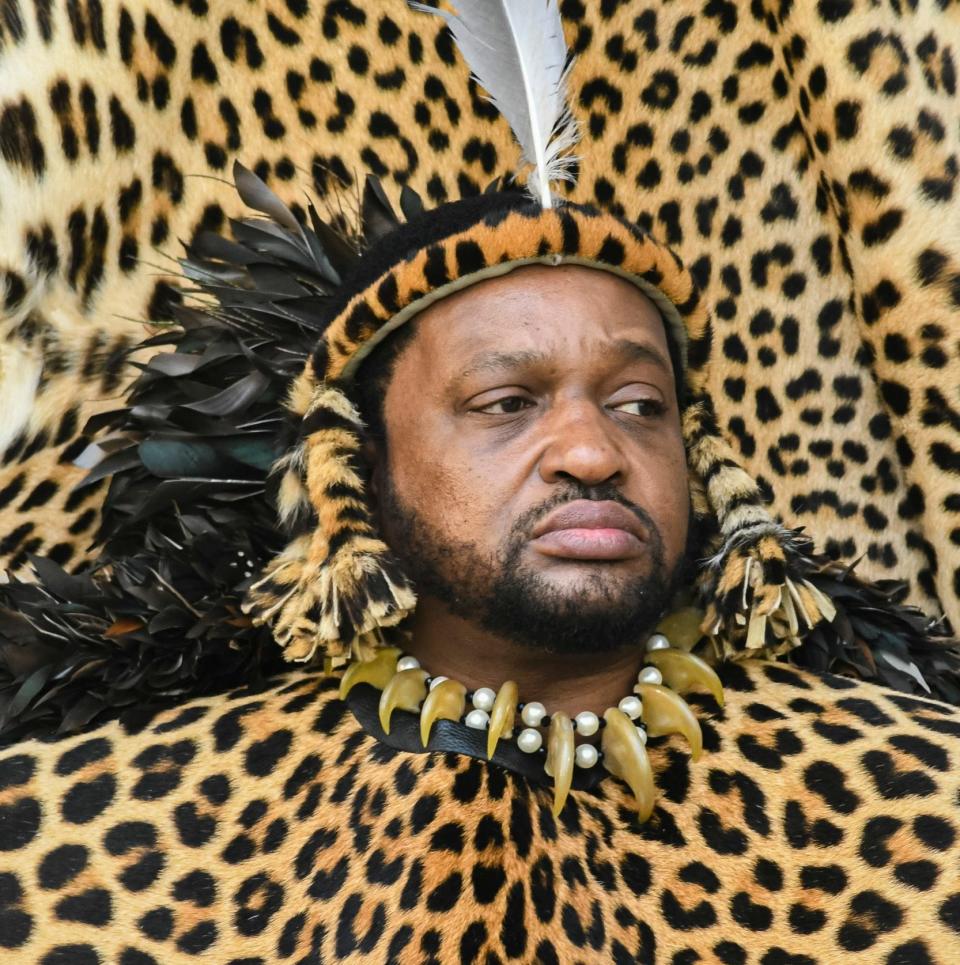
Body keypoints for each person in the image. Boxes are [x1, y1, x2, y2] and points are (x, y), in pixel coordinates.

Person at [1, 3, 959, 961]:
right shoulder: (85, 838)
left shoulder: (925, 816)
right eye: (506, 402)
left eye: (638, 404)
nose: (592, 452)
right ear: (356, 462)